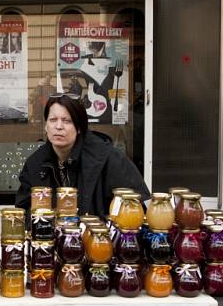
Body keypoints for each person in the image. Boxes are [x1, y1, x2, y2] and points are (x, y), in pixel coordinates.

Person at [15, 93, 149, 217]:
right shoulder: (36, 163)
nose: (59, 126)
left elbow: (135, 210)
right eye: (53, 120)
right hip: (50, 240)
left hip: (99, 239)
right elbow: (23, 211)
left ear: (79, 127)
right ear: (46, 126)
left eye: (66, 121)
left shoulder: (109, 159)